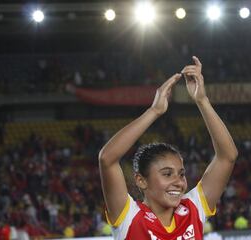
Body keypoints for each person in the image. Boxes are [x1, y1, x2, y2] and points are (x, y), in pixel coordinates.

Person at [99, 56, 238, 239]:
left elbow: (227, 156)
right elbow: (107, 159)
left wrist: (202, 100)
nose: (179, 182)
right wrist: (154, 111)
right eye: (167, 174)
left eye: (181, 174)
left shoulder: (192, 209)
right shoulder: (130, 217)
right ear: (141, 180)